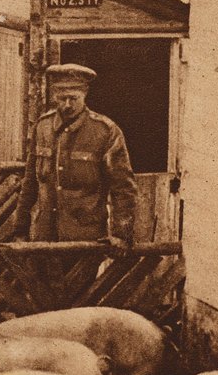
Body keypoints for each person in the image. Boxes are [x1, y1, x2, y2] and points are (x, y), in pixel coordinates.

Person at [20, 63, 136, 250]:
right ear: (55, 97)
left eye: (73, 98)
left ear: (84, 95)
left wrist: (121, 234)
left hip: (86, 240)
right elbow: (30, 183)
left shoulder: (105, 131)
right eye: (62, 98)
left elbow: (123, 187)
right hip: (43, 238)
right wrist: (20, 230)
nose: (67, 105)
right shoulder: (43, 127)